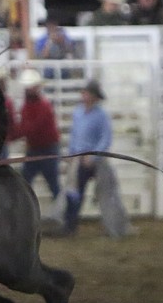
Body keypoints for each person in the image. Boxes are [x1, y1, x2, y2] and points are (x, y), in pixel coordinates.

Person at [63, 79, 130, 237]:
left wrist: (93, 156)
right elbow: (74, 135)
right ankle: (70, 226)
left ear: (93, 96)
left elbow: (106, 139)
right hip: (80, 158)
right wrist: (72, 153)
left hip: (97, 161)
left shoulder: (101, 115)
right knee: (74, 193)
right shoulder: (78, 112)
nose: (83, 95)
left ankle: (116, 227)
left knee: (107, 194)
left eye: (86, 93)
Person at [10, 69, 62, 203]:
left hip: (47, 149)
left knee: (52, 183)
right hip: (35, 149)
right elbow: (26, 127)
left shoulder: (44, 106)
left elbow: (30, 128)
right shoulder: (29, 106)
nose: (27, 89)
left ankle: (63, 215)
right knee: (26, 181)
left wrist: (11, 136)